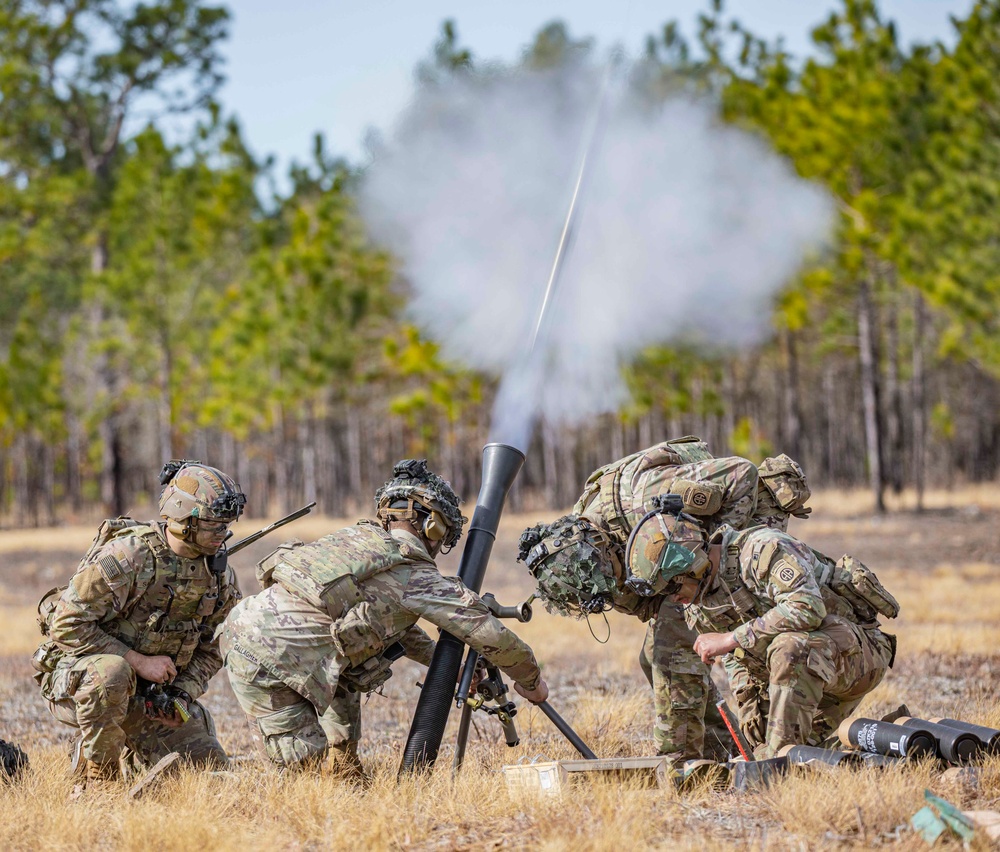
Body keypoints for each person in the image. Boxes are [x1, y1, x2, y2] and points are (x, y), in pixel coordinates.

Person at [220, 459, 548, 774]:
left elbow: (394, 625)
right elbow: (487, 632)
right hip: (267, 662)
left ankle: (344, 766)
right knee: (304, 778)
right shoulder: (413, 572)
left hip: (252, 637)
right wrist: (531, 681)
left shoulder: (353, 541)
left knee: (346, 690)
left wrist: (450, 664)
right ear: (433, 526)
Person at [520, 437, 759, 763]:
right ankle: (723, 750)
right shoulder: (590, 557)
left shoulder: (641, 494)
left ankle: (683, 763)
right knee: (652, 657)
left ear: (602, 548)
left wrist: (712, 551)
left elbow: (742, 474)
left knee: (671, 650)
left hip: (749, 533)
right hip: (681, 568)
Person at [33, 460, 245, 794]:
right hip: (85, 680)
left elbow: (215, 646)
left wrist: (181, 694)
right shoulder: (130, 556)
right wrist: (139, 662)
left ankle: (133, 754)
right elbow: (66, 624)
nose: (224, 534)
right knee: (111, 672)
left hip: (150, 697)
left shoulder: (219, 575)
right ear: (184, 519)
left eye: (227, 525)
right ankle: (99, 779)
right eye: (214, 525)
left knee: (207, 773)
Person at [624, 505, 898, 759]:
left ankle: (777, 772)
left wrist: (730, 639)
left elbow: (808, 607)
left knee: (790, 648)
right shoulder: (698, 598)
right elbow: (734, 659)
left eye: (673, 587)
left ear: (694, 564)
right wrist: (750, 706)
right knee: (772, 749)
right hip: (803, 673)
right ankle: (897, 737)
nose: (673, 599)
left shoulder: (762, 549)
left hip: (857, 656)